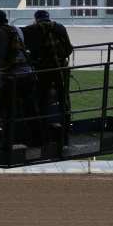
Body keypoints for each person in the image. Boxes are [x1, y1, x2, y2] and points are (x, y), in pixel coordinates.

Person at [0, 9, 43, 148]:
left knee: (7, 113)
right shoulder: (18, 30)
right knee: (32, 111)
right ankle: (40, 140)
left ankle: (6, 144)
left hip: (10, 78)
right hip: (28, 75)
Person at [22, 10, 74, 144]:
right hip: (61, 70)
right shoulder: (59, 27)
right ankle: (65, 135)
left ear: (36, 19)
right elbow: (68, 49)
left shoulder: (31, 29)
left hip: (42, 71)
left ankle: (42, 136)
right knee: (65, 101)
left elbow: (27, 51)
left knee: (41, 102)